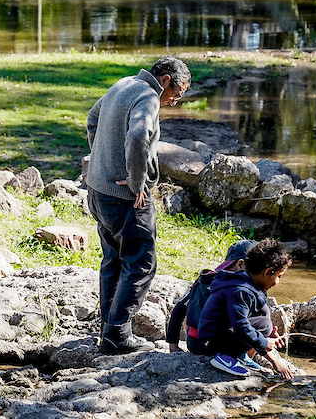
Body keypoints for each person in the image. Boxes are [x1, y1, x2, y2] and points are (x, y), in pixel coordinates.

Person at [86, 56, 191, 355]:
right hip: (125, 198)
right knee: (142, 262)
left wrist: (102, 163)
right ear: (166, 80)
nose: (173, 102)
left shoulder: (124, 83)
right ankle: (118, 334)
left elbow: (92, 119)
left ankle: (109, 330)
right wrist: (136, 183)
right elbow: (137, 135)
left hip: (98, 191)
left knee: (114, 260)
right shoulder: (147, 96)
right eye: (177, 94)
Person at [192, 239, 297, 380]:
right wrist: (264, 342)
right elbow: (241, 326)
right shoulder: (240, 290)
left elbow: (255, 320)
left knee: (265, 320)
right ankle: (225, 358)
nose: (277, 282)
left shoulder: (248, 284)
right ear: (267, 272)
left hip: (222, 333)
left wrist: (269, 351)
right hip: (210, 341)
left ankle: (239, 355)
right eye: (278, 276)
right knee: (264, 325)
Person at [165, 239, 256, 354]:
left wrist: (173, 346)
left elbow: (179, 308)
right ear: (240, 264)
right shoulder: (239, 287)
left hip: (194, 343)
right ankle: (242, 357)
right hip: (218, 345)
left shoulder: (205, 278)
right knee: (260, 323)